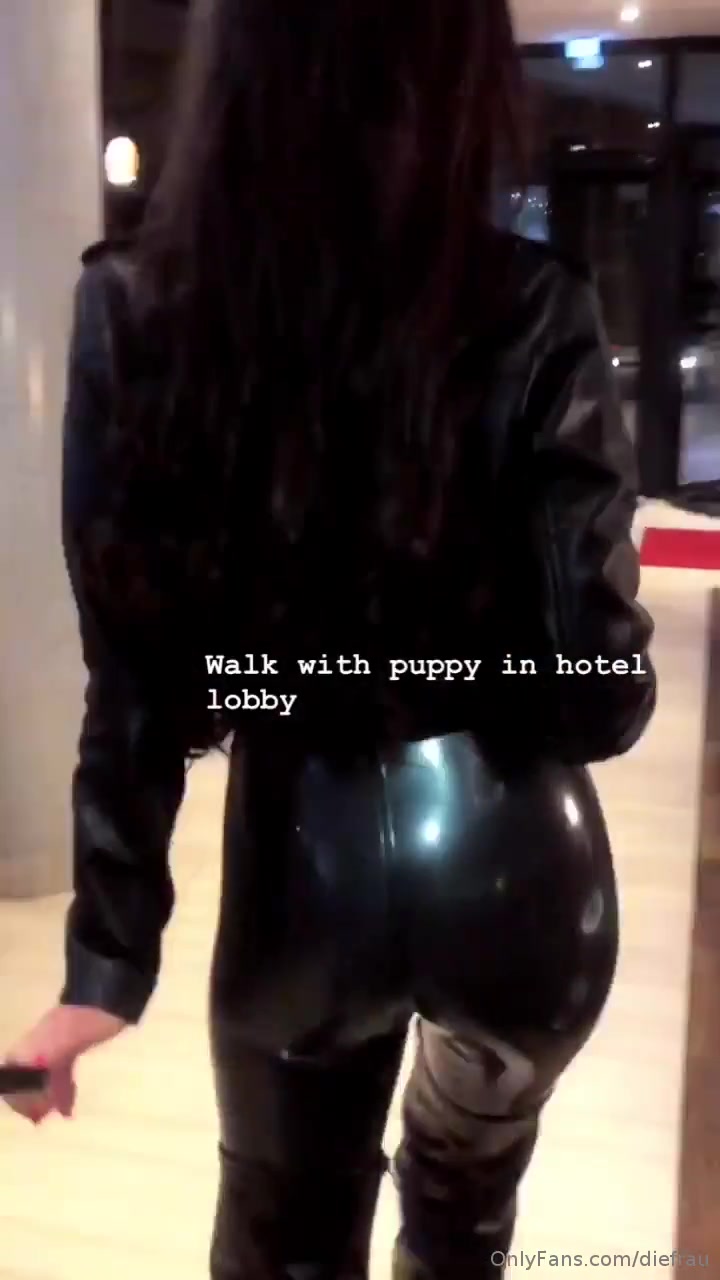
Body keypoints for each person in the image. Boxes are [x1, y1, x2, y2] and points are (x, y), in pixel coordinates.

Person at [2, 0, 656, 1276]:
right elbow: (601, 697)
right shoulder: (538, 309)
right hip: (527, 871)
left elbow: (137, 684)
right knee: (463, 1215)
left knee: (285, 1237)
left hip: (302, 872)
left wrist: (105, 963)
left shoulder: (134, 310)